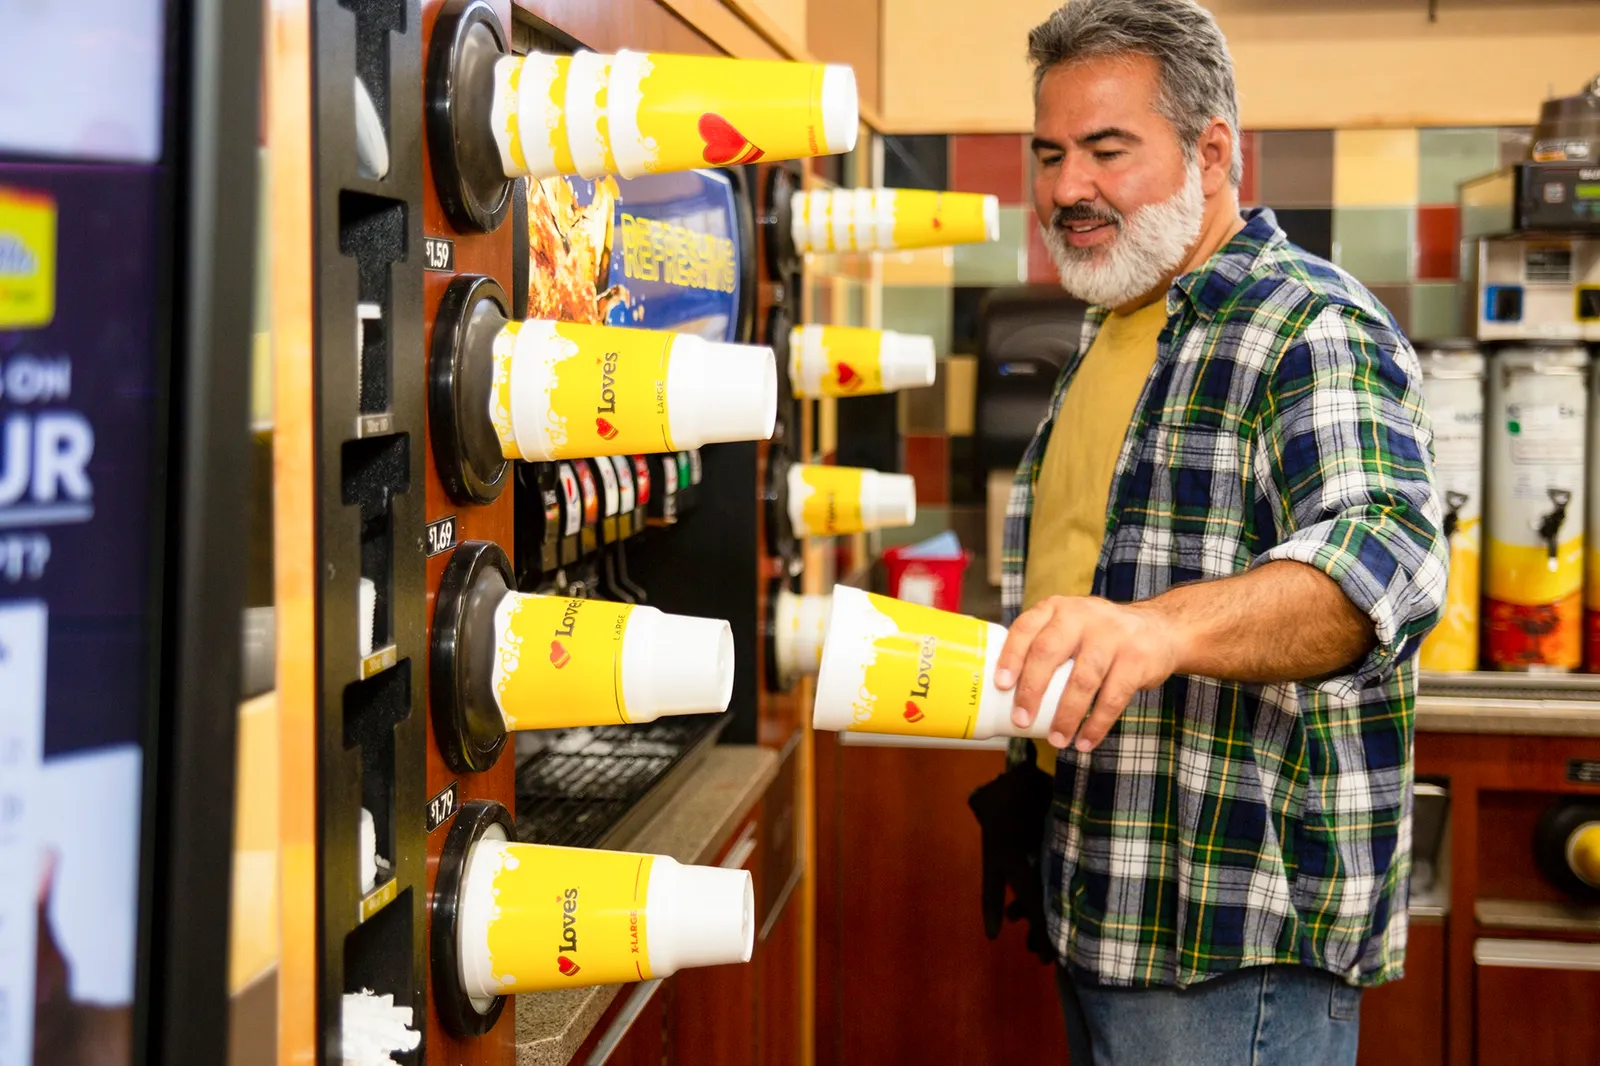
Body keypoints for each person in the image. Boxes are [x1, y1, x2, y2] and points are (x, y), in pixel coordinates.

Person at [996, 2, 1447, 1063]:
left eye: (1107, 149)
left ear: (1210, 152)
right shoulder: (1118, 326)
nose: (1066, 187)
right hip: (1104, 899)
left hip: (1233, 947)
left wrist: (1158, 632)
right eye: (1050, 154)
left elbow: (1383, 556)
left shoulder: (1305, 321)